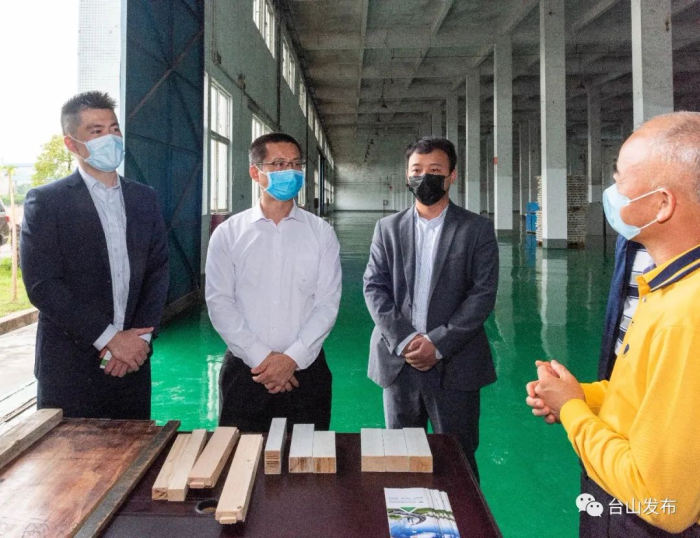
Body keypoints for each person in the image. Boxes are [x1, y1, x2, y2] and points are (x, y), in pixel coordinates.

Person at [526, 112, 700, 537]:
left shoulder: (686, 315)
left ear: (663, 204)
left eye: (621, 179)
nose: (612, 192)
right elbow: (646, 395)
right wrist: (580, 395)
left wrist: (571, 410)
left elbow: (663, 500)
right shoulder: (665, 287)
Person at [21, 91, 169, 419]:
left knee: (135, 448)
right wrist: (110, 338)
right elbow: (43, 285)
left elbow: (158, 271)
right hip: (70, 369)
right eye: (97, 131)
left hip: (133, 361)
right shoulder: (47, 202)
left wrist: (139, 339)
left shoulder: (144, 199)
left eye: (114, 129)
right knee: (68, 452)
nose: (110, 138)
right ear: (71, 144)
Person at [363, 136, 499, 481]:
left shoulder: (476, 230)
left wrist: (438, 343)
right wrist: (406, 339)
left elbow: (482, 294)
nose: (425, 177)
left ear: (452, 175)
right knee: (401, 458)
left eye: (435, 170)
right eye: (417, 170)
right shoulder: (387, 229)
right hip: (399, 362)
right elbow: (374, 287)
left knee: (458, 459)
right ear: (407, 175)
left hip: (456, 363)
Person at [205, 132, 341, 432]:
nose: (289, 171)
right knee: (242, 457)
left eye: (295, 164)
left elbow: (327, 304)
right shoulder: (228, 234)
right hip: (246, 372)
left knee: (307, 456)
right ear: (256, 173)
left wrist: (292, 359)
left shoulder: (321, 234)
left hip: (305, 371)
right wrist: (263, 359)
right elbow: (220, 303)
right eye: (278, 164)